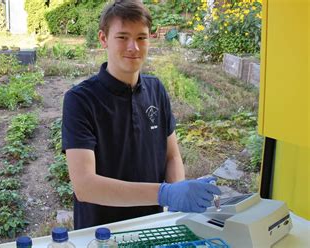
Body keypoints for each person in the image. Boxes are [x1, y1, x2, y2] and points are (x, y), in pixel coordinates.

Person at [61, 0, 221, 230]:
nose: (133, 47)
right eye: (123, 37)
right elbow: (85, 186)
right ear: (103, 39)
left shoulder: (156, 89)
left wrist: (179, 195)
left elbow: (171, 156)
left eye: (141, 37)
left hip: (154, 225)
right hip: (102, 233)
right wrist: (165, 193)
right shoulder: (81, 100)